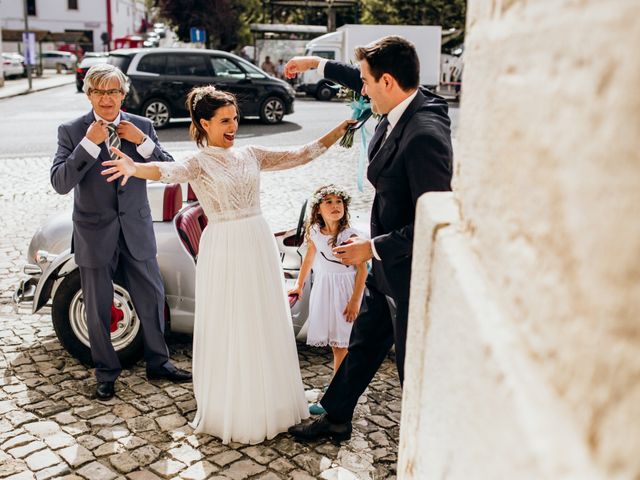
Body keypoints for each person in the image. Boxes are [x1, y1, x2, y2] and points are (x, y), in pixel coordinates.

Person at [100, 85, 355, 444]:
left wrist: (336, 132)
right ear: (204, 123)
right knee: (233, 321)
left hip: (257, 240)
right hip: (224, 245)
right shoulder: (198, 162)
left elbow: (299, 154)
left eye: (235, 118)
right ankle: (238, 408)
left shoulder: (251, 153)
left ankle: (276, 403)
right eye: (224, 120)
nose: (233, 126)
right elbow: (165, 171)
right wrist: (134, 167)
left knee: (264, 318)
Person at [284, 35, 453, 441]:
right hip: (385, 267)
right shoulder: (406, 99)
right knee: (364, 341)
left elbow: (435, 221)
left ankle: (428, 443)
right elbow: (362, 75)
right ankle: (336, 417)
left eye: (366, 81)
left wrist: (372, 248)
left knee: (412, 366)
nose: (360, 89)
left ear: (389, 83)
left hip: (410, 270)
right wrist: (317, 65)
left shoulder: (424, 135)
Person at [50, 64, 192, 401]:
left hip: (136, 227)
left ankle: (159, 362)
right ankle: (106, 372)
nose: (106, 98)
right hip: (93, 231)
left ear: (123, 94)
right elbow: (60, 182)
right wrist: (87, 144)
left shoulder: (141, 126)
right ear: (88, 95)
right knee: (97, 306)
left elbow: (168, 168)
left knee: (153, 297)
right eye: (98, 91)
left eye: (113, 91)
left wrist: (141, 142)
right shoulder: (71, 131)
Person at [288, 185, 367, 414]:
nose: (335, 206)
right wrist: (298, 285)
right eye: (329, 202)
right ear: (318, 209)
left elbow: (362, 271)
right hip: (324, 288)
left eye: (339, 202)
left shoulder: (349, 236)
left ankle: (337, 398)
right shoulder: (314, 231)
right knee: (336, 345)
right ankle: (339, 382)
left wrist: (354, 301)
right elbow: (309, 259)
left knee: (343, 345)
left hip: (345, 291)